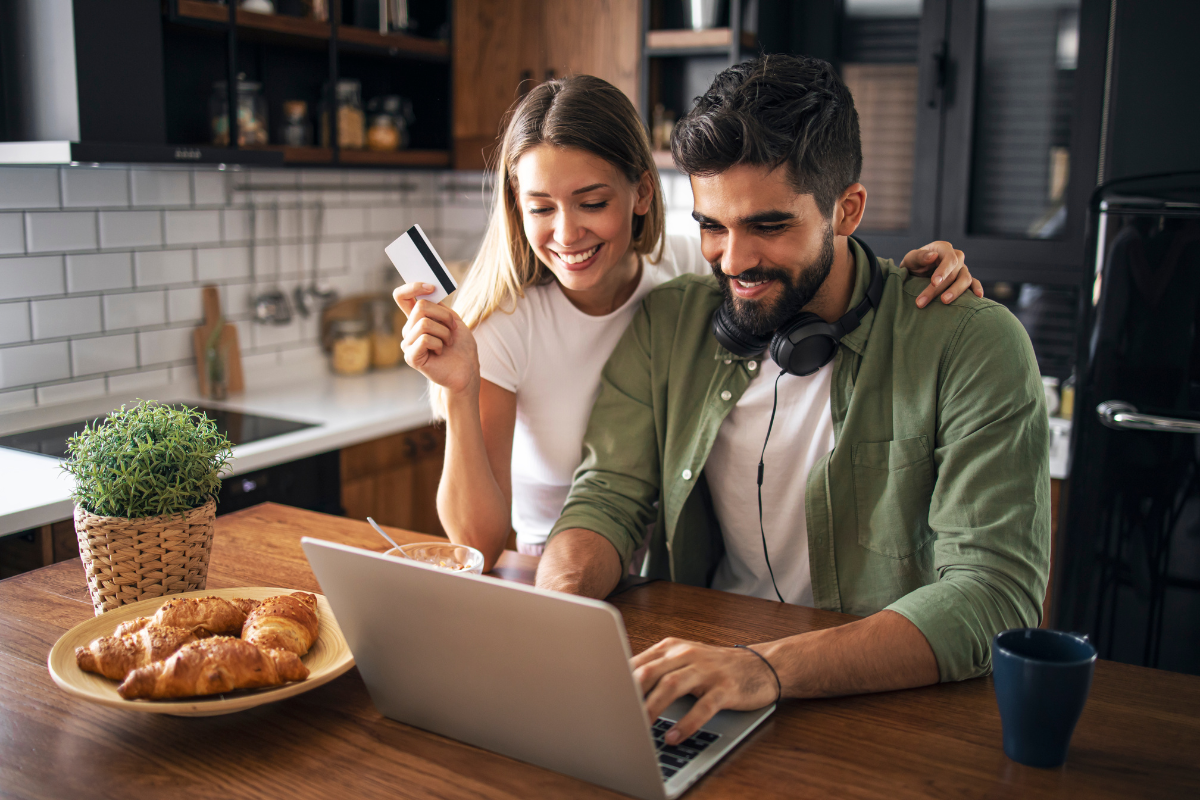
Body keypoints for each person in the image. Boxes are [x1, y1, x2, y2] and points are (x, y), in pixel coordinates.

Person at [534, 57, 1050, 746]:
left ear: (847, 210)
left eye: (769, 226)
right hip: (704, 679)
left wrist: (764, 668)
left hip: (882, 704)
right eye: (712, 226)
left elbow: (993, 594)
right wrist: (552, 614)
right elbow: (607, 497)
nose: (733, 260)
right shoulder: (670, 323)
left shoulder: (969, 342)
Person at [395, 75, 982, 572]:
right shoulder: (505, 325)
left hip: (668, 570)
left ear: (641, 193)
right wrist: (461, 392)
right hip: (561, 565)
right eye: (541, 207)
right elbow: (475, 543)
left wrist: (903, 282)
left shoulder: (687, 269)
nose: (567, 233)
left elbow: (798, 259)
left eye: (592, 202)